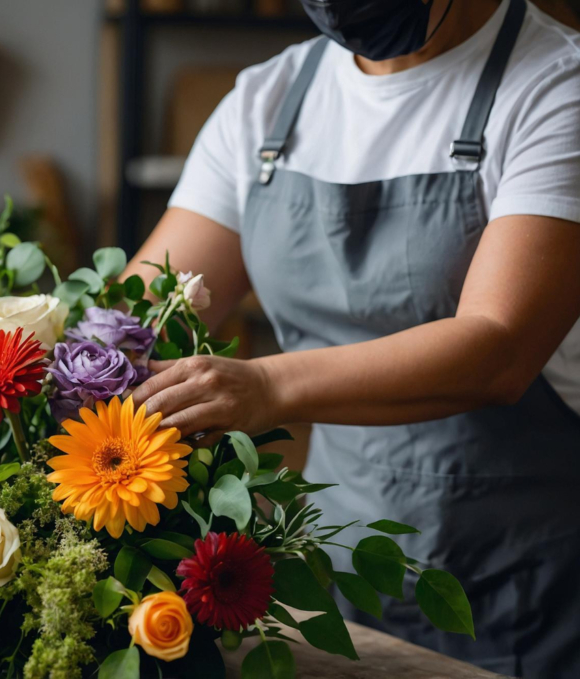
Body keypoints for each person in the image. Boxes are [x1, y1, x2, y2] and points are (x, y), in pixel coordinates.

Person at [125, 0, 580, 676]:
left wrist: (269, 385)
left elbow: (499, 346)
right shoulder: (268, 101)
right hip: (339, 568)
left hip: (525, 578)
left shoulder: (555, 85)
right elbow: (141, 316)